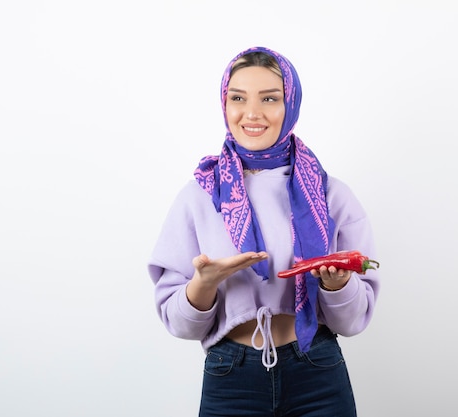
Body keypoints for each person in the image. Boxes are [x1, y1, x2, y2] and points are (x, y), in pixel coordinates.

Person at [147, 46, 380, 417]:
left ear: (292, 106)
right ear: (224, 105)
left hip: (317, 370)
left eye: (270, 98)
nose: (251, 113)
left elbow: (351, 322)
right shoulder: (199, 197)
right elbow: (179, 324)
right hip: (230, 375)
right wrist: (204, 283)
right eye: (237, 98)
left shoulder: (331, 195)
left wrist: (336, 286)